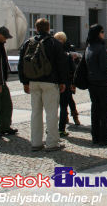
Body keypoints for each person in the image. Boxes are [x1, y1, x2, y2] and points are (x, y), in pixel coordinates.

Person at [19, 18, 68, 152]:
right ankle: (52, 143)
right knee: (51, 113)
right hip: (50, 82)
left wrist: (24, 82)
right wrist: (63, 81)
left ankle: (36, 142)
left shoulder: (28, 43)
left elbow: (21, 64)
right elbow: (61, 64)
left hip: (33, 81)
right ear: (49, 28)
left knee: (35, 112)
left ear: (36, 28)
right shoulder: (54, 43)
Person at [85, 24, 107, 146]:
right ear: (98, 34)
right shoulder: (101, 47)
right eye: (102, 31)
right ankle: (104, 138)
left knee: (95, 110)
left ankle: (95, 136)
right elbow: (104, 66)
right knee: (104, 111)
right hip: (102, 83)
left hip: (92, 82)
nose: (104, 34)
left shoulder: (89, 47)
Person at [54, 32, 80, 137]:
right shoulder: (66, 55)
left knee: (58, 106)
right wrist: (73, 83)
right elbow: (73, 70)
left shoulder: (53, 54)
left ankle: (55, 127)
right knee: (65, 104)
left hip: (56, 83)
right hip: (66, 82)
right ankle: (62, 128)